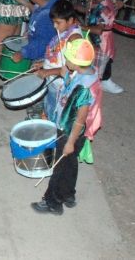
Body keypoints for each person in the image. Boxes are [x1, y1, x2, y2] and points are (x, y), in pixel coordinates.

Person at [31, 37, 102, 215]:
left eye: (68, 58)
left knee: (59, 166)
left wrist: (70, 141)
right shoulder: (87, 73)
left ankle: (52, 202)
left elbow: (80, 117)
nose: (65, 60)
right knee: (70, 163)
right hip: (76, 132)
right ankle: (68, 194)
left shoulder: (84, 89)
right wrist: (66, 77)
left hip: (71, 131)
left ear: (76, 62)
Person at [35, 0, 84, 120]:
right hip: (53, 80)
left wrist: (47, 72)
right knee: (47, 106)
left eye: (58, 22)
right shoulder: (64, 31)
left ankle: (50, 129)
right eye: (53, 22)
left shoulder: (75, 39)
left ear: (71, 20)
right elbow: (57, 54)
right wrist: (43, 63)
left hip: (60, 85)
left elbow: (70, 68)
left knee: (54, 111)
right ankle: (44, 121)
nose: (54, 26)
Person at [80, 0, 123, 94]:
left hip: (101, 39)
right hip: (94, 36)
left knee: (102, 61)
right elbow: (88, 10)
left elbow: (99, 30)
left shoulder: (104, 7)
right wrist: (75, 7)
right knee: (93, 60)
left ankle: (105, 81)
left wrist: (81, 26)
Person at [10, 0, 61, 65]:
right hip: (43, 46)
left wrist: (23, 53)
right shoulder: (49, 1)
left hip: (44, 57)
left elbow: (42, 43)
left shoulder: (46, 17)